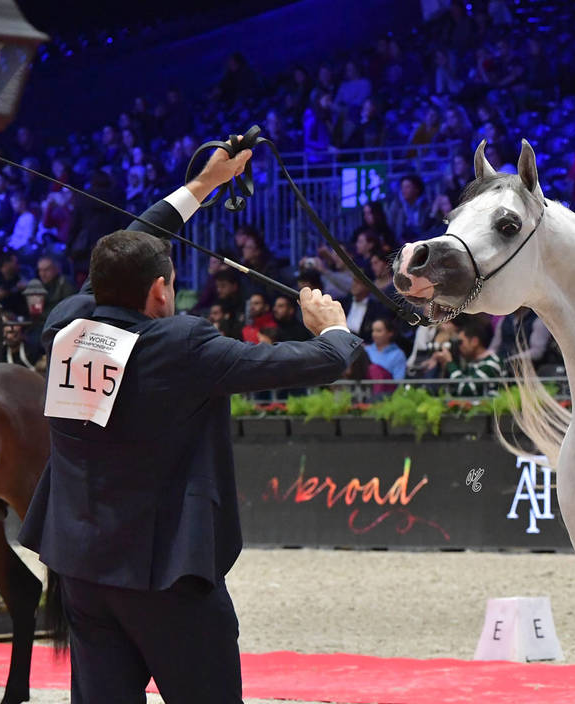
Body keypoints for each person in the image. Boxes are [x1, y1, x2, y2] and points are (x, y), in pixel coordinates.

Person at [18, 145, 366, 704]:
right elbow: (318, 362)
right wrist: (334, 330)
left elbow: (126, 250)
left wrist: (202, 185)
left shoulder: (64, 325)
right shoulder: (181, 345)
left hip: (80, 566)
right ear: (161, 290)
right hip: (164, 575)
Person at [436, 314, 503, 396]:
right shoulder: (473, 362)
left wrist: (450, 363)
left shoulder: (491, 363)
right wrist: (446, 365)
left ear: (474, 341)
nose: (459, 347)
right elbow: (453, 391)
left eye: (461, 342)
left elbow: (465, 390)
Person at [365, 317, 407, 385]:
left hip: (386, 391)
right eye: (373, 330)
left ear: (390, 333)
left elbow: (399, 381)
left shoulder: (398, 354)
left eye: (378, 331)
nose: (374, 334)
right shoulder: (366, 350)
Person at [37, 256, 77, 320]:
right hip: (44, 321)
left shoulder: (65, 283)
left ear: (56, 269)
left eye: (46, 270)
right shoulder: (40, 286)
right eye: (40, 270)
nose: (42, 274)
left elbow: (68, 309)